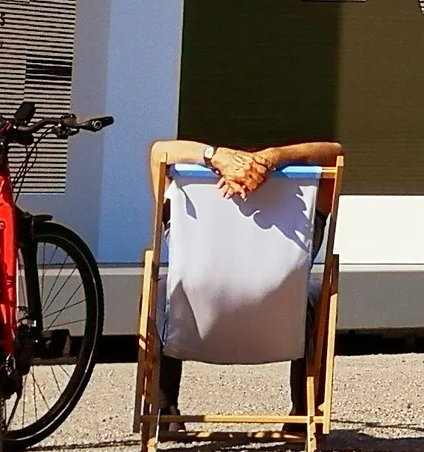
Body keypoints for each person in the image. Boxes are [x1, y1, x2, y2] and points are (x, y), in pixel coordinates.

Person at [147, 138, 345, 420]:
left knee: (163, 288)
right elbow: (334, 153)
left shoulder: (183, 213)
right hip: (281, 323)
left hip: (196, 322)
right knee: (314, 291)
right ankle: (304, 411)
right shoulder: (306, 219)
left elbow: (159, 152)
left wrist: (213, 156)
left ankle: (163, 408)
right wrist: (275, 158)